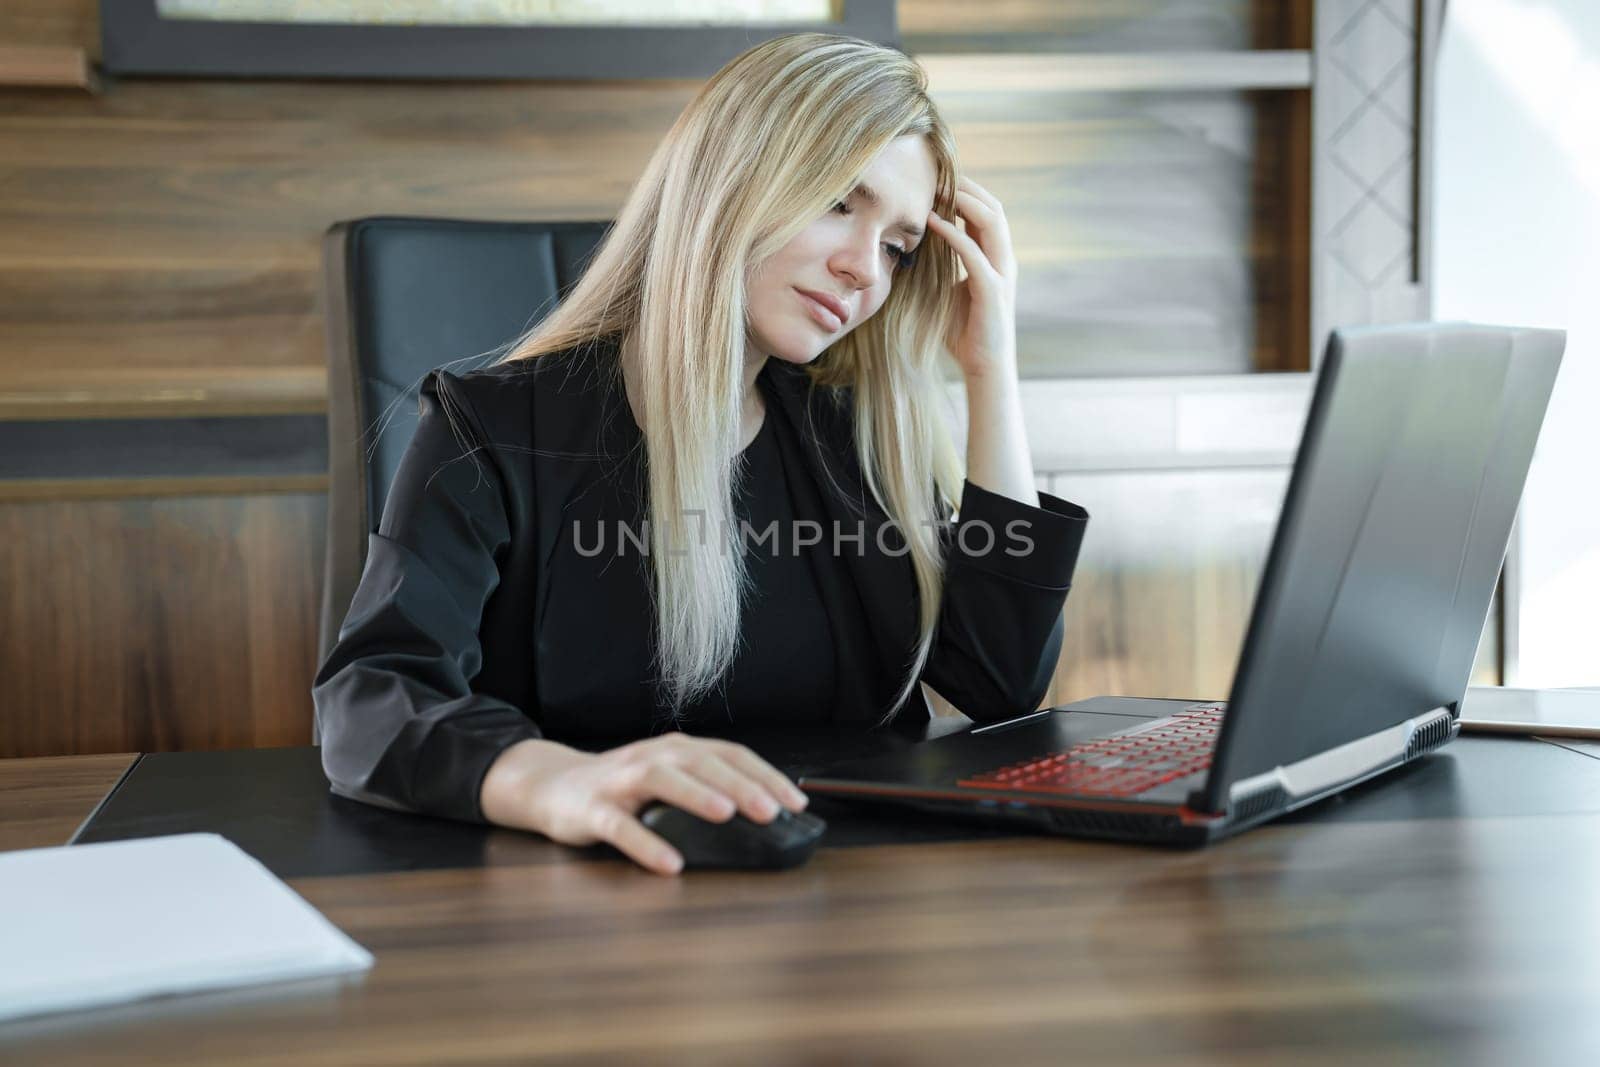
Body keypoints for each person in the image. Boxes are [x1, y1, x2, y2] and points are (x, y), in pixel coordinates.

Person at [313, 32, 1089, 876]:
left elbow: (1000, 682)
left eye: (899, 247)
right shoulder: (491, 427)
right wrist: (564, 782)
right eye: (836, 201)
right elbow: (371, 701)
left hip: (844, 899)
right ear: (731, 182)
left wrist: (990, 366)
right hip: (579, 899)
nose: (864, 268)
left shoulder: (853, 436)